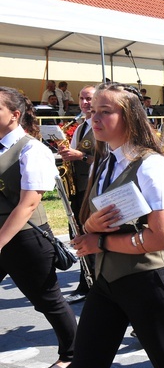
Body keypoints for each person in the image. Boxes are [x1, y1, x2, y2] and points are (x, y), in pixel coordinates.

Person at [68, 82, 164, 368]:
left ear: (129, 117)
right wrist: (90, 226)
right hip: (107, 283)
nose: (94, 118)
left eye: (105, 111)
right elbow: (97, 217)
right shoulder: (105, 161)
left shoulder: (151, 164)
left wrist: (99, 244)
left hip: (148, 282)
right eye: (93, 112)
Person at [0, 87, 77, 368]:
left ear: (14, 115)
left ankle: (72, 353)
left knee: (48, 300)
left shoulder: (32, 149)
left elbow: (29, 202)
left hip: (25, 239)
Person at [59, 85, 96, 304]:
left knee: (88, 235)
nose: (84, 103)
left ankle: (89, 284)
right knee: (78, 234)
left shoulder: (100, 126)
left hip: (91, 190)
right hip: (79, 188)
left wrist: (80, 156)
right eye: (82, 99)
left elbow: (103, 159)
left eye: (89, 99)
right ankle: (86, 282)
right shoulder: (81, 127)